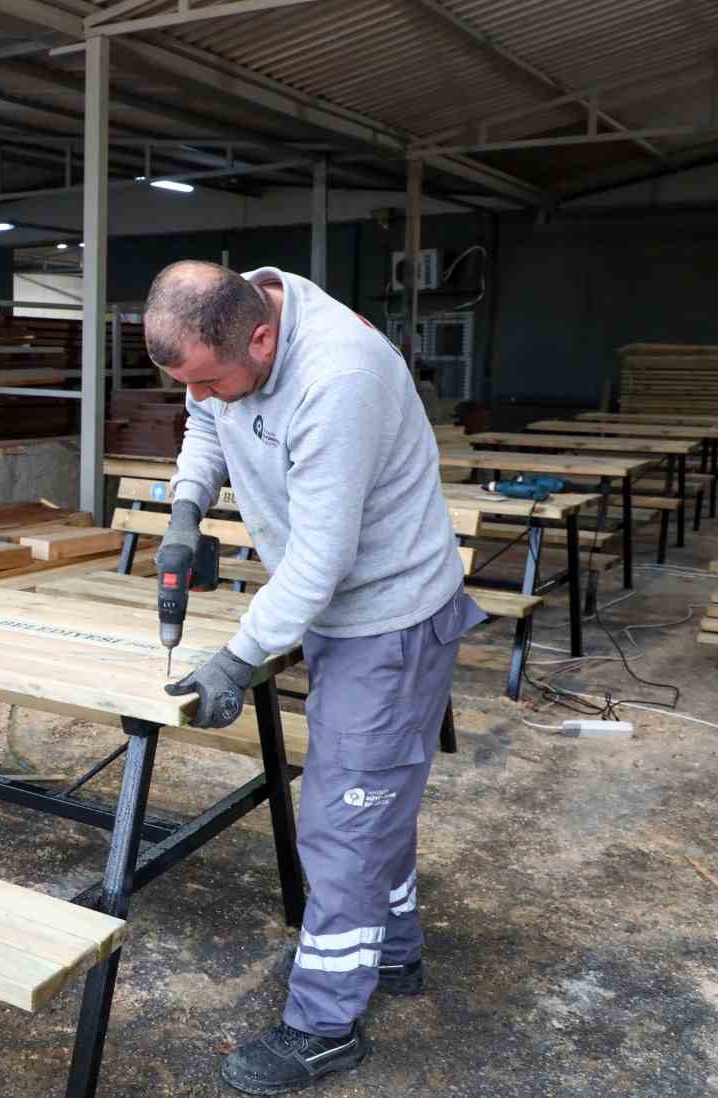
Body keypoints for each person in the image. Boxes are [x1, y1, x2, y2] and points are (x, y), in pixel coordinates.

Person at [142, 261, 485, 1094]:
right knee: (373, 796)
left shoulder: (338, 377)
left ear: (260, 337)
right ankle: (393, 953)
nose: (209, 397)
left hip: (389, 617)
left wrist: (237, 657)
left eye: (215, 380)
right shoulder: (227, 333)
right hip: (339, 608)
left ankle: (325, 1025)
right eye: (193, 382)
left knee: (341, 817)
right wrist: (188, 508)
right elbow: (205, 426)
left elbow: (323, 561)